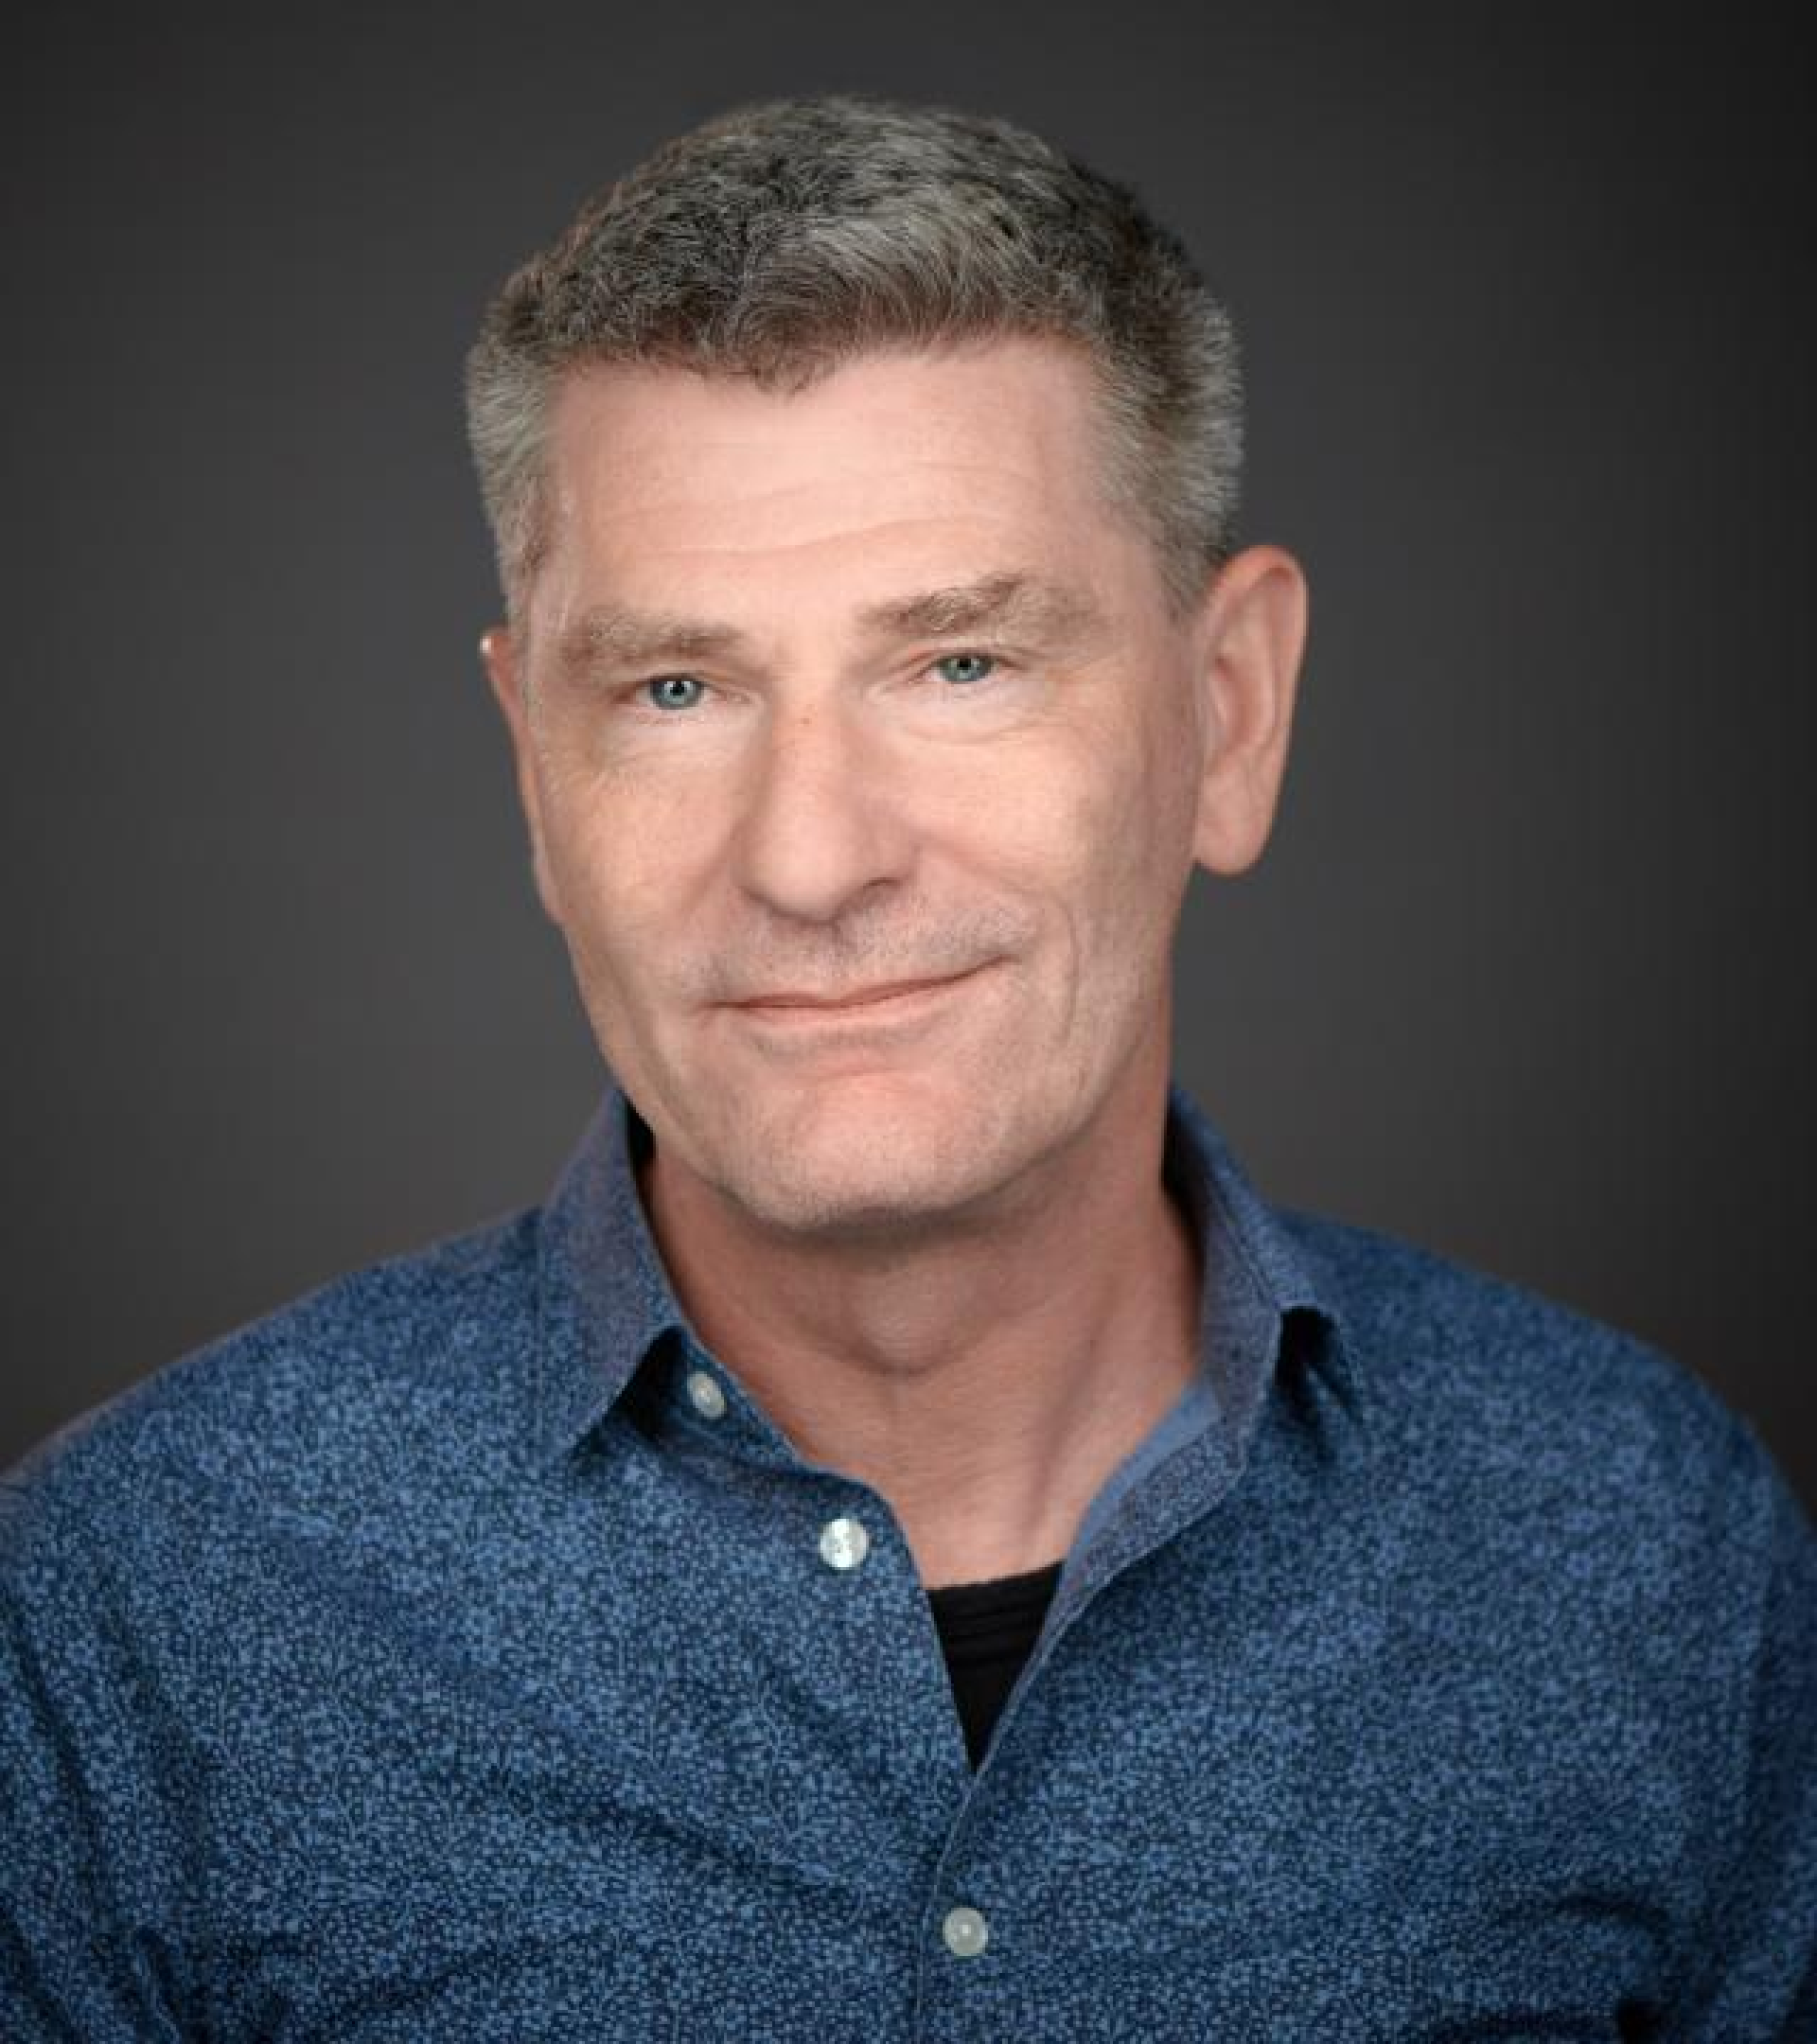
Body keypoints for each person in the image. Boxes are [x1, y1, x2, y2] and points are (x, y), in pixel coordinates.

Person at [3, 91, 1812, 2042]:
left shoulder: (1646, 1544)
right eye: (676, 689)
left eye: (960, 664)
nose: (811, 857)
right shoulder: (135, 1610)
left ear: (1229, 714)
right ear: (535, 768)